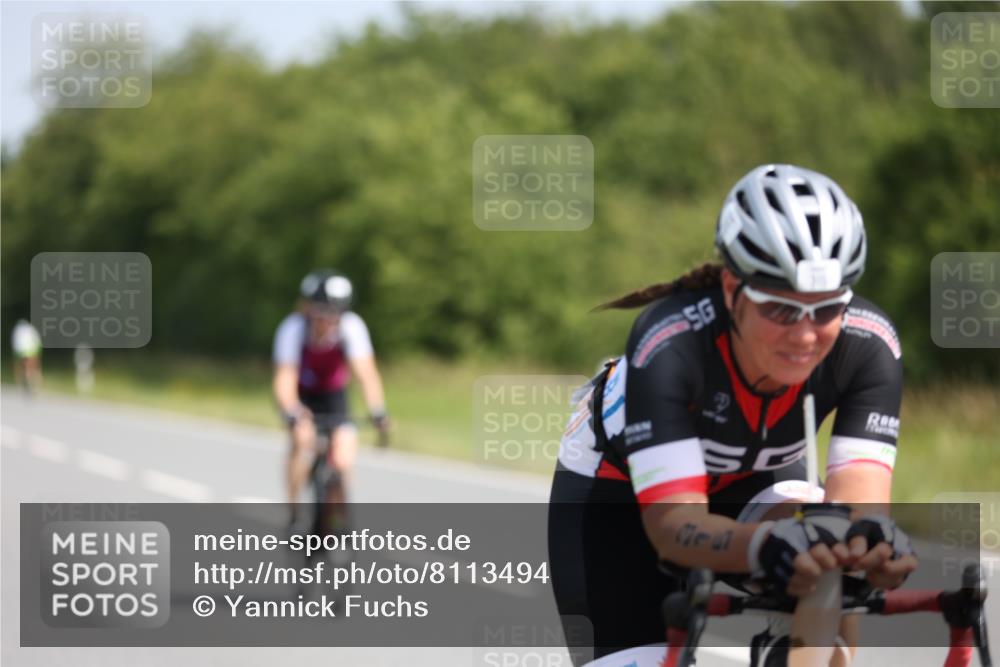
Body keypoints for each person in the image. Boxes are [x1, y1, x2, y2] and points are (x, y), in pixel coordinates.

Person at [548, 164, 918, 665]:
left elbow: (860, 510)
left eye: (827, 308)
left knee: (829, 549)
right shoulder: (671, 341)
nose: (805, 335)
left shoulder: (867, 345)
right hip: (623, 500)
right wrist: (765, 545)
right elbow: (675, 528)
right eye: (781, 309)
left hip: (752, 484)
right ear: (731, 290)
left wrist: (871, 548)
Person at [272, 270, 390, 528]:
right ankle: (294, 514)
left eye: (336, 312)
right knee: (302, 443)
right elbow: (284, 378)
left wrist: (378, 411)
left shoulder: (352, 327)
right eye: (323, 310)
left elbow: (366, 374)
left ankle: (339, 519)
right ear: (309, 307)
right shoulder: (293, 328)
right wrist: (292, 410)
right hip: (301, 394)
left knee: (344, 456)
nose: (329, 318)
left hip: (333, 396)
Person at [11, 319, 43, 395]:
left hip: (21, 351)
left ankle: (22, 384)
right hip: (32, 350)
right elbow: (37, 341)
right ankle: (34, 384)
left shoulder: (18, 330)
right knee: (35, 368)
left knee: (22, 368)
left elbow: (15, 343)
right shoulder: (31, 329)